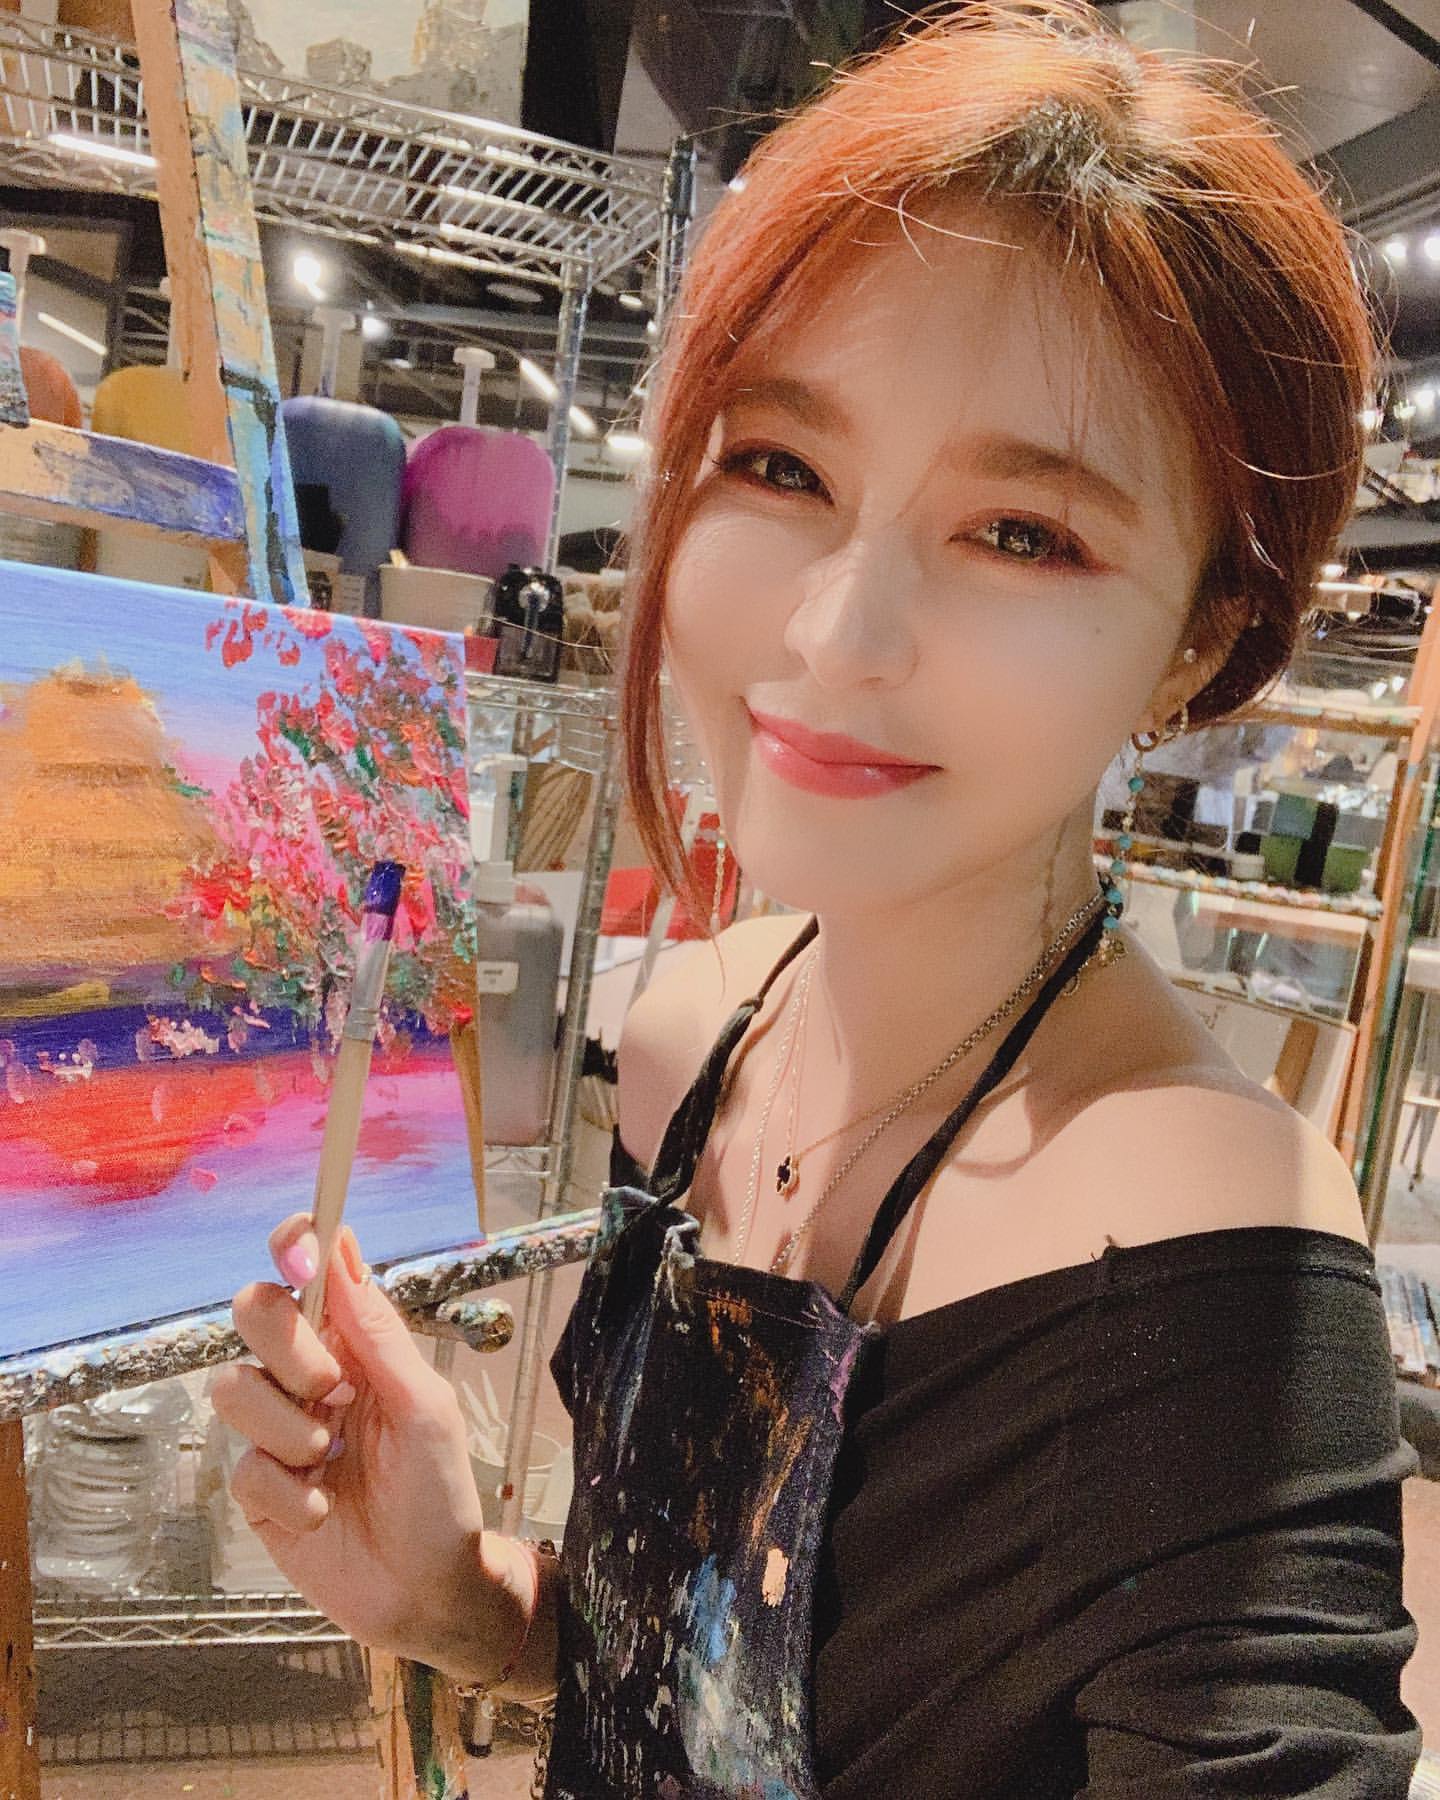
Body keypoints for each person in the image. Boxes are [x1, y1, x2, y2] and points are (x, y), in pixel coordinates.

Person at [214, 4, 1425, 1793]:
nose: (836, 635)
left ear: (1199, 640)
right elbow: (685, 1688)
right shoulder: (693, 1037)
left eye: (1023, 532)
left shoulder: (1208, 1245)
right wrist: (469, 1600)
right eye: (782, 467)